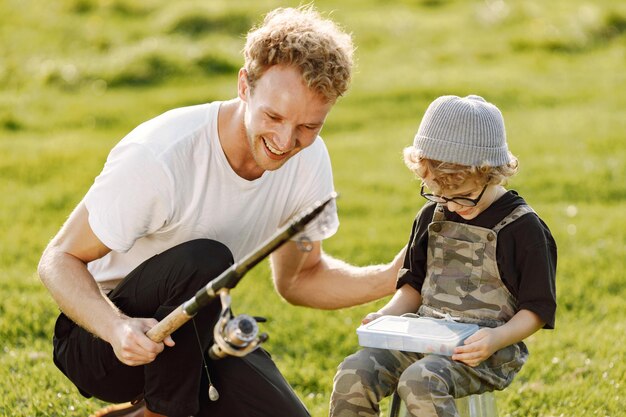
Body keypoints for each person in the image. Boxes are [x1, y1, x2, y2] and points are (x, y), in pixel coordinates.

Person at [38, 6, 404, 417]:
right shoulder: (160, 156)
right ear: (245, 86)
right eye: (274, 116)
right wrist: (116, 326)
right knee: (207, 259)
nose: (286, 141)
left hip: (196, 336)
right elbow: (58, 259)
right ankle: (161, 412)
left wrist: (392, 276)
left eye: (308, 126)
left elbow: (301, 278)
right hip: (104, 343)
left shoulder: (309, 162)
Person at [329, 95, 557, 417]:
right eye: (437, 193)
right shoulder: (432, 217)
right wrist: (387, 316)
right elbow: (412, 286)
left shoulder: (524, 230)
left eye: (462, 196)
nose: (449, 206)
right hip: (424, 337)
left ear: (491, 174)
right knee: (355, 372)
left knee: (421, 381)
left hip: (485, 351)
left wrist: (495, 338)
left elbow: (537, 309)